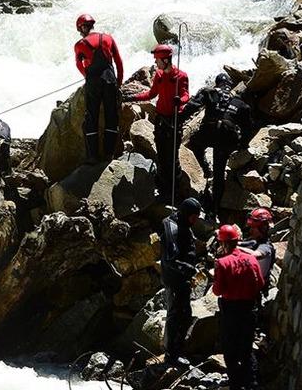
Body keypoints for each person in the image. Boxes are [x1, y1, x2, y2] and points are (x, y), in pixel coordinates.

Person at [179, 73, 253, 220]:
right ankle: (214, 209)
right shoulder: (240, 103)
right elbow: (247, 127)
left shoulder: (210, 93)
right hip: (226, 138)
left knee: (194, 145)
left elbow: (192, 106)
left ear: (216, 83)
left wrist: (179, 119)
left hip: (208, 132)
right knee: (220, 174)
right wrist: (243, 145)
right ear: (230, 86)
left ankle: (206, 170)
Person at [124, 44, 189, 201]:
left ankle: (175, 191)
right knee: (161, 154)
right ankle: (163, 188)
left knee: (172, 157)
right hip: (161, 120)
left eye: (158, 60)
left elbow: (186, 95)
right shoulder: (159, 75)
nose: (156, 63)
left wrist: (179, 100)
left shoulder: (181, 76)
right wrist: (133, 97)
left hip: (174, 120)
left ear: (166, 60)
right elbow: (151, 94)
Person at [213, 224, 265, 390]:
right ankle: (252, 383)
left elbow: (217, 290)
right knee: (246, 348)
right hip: (249, 308)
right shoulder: (251, 259)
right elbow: (261, 283)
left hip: (231, 310)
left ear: (223, 243)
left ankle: (236, 384)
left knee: (230, 349)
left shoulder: (222, 263)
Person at [74, 14, 125, 163]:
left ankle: (93, 156)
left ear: (82, 28)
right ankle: (109, 154)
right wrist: (119, 82)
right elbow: (119, 62)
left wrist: (87, 76)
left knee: (92, 117)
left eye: (80, 29)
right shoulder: (108, 38)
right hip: (110, 80)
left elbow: (79, 64)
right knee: (111, 116)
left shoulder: (80, 44)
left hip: (93, 83)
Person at [158, 197, 201, 366]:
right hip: (174, 279)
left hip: (181, 278)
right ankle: (172, 355)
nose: (195, 221)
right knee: (175, 316)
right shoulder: (172, 228)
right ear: (186, 214)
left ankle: (176, 350)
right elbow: (170, 259)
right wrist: (188, 269)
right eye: (194, 217)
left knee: (185, 316)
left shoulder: (183, 224)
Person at [238, 207, 276, 292]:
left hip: (255, 289)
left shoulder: (266, 247)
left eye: (253, 228)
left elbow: (255, 255)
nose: (251, 230)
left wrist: (234, 248)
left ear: (262, 229)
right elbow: (240, 243)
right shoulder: (254, 242)